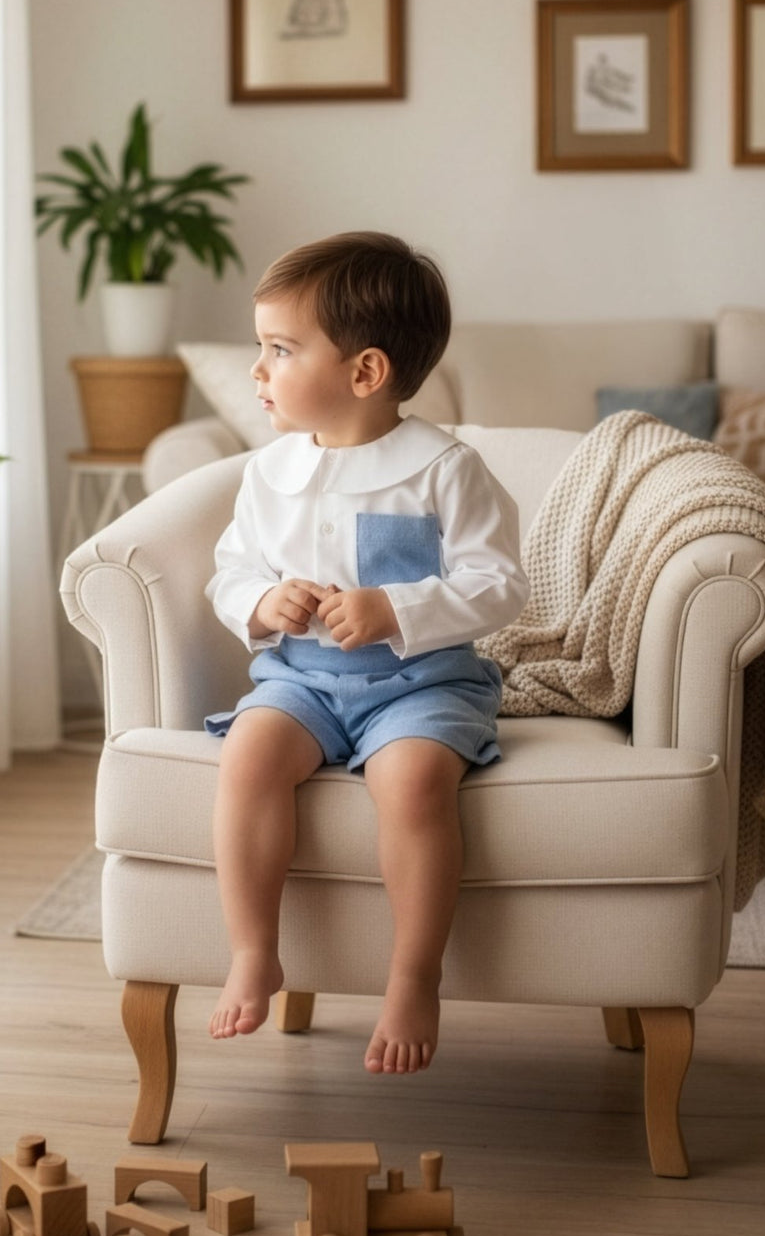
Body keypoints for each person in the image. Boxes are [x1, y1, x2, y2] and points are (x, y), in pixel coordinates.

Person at [203, 231, 530, 1076]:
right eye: (261, 347)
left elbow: (500, 587)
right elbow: (230, 571)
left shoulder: (445, 470)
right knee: (248, 757)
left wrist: (397, 608)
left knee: (413, 781)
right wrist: (261, 602)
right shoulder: (266, 472)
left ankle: (414, 975)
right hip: (302, 678)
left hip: (419, 683)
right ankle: (253, 951)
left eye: (279, 349)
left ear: (365, 373)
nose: (258, 369)